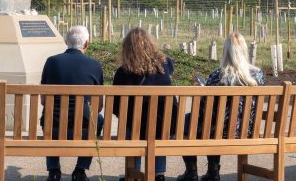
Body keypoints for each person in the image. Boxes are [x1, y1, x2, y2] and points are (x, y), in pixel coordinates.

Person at [177, 32, 265, 181]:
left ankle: (194, 172)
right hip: (246, 131)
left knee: (190, 121)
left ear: (225, 52)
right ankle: (212, 172)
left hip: (217, 131)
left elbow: (204, 110)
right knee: (215, 124)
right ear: (244, 51)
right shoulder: (258, 75)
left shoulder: (218, 75)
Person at [112, 27, 178, 181]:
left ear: (127, 48)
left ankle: (134, 173)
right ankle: (159, 173)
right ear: (150, 44)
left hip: (136, 128)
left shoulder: (122, 72)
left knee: (132, 127)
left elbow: (116, 106)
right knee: (159, 128)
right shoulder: (166, 64)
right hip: (165, 127)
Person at [40, 25, 104, 181]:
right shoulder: (94, 65)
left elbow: (43, 100)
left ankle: (54, 170)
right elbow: (99, 106)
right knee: (98, 119)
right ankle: (80, 170)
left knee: (47, 115)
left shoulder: (51, 62)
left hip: (53, 127)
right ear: (86, 44)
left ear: (66, 41)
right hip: (82, 127)